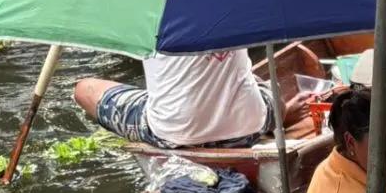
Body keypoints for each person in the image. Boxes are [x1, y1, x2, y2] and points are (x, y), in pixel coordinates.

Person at [74, 50, 311, 149]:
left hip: (171, 132)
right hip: (248, 126)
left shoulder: (149, 8)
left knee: (84, 89)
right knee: (267, 87)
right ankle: (283, 114)